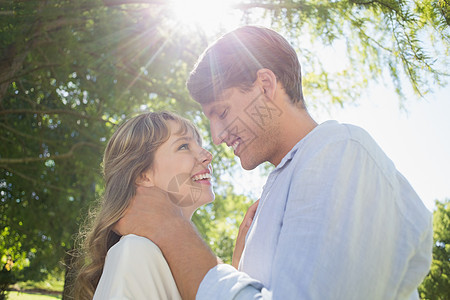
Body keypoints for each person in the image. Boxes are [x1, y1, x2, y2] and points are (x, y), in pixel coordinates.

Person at [115, 26, 433, 299]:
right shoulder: (281, 187)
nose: (216, 137)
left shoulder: (340, 152)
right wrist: (235, 269)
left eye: (222, 113)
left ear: (265, 86)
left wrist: (173, 232)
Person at [73, 111, 216, 299]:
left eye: (200, 145)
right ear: (143, 175)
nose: (207, 155)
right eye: (183, 146)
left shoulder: (163, 259)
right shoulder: (136, 251)